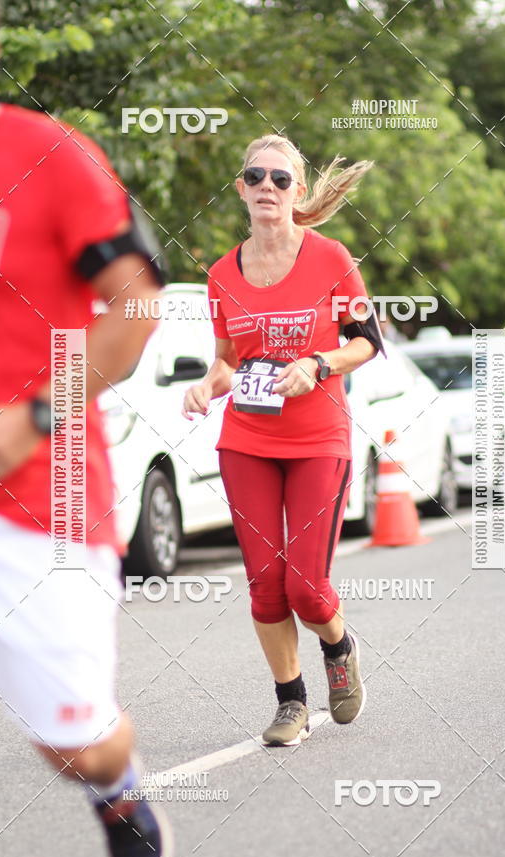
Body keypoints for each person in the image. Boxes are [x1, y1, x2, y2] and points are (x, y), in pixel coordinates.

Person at [0, 3, 172, 857]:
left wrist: (32, 418)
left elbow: (135, 312)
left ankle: (118, 789)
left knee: (78, 746)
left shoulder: (52, 158)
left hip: (36, 502)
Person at [183, 134, 384, 746]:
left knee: (305, 586)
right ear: (240, 188)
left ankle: (339, 643)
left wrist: (320, 364)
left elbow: (368, 340)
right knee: (267, 585)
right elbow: (227, 363)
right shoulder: (221, 274)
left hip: (320, 439)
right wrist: (205, 386)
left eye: (280, 179)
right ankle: (290, 701)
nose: (267, 188)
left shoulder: (330, 258)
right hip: (246, 438)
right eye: (255, 177)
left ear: (297, 192)